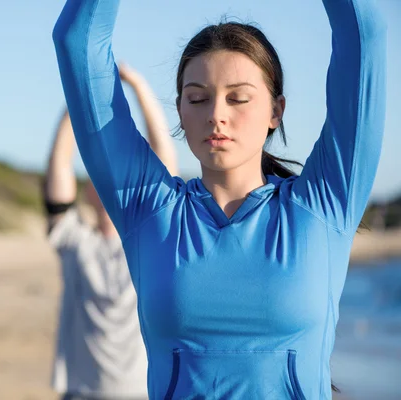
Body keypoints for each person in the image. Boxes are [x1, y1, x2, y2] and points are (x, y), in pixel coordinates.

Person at [52, 0, 387, 399]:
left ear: (275, 111)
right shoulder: (147, 209)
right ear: (179, 110)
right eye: (197, 99)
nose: (216, 114)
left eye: (238, 98)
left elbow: (364, 35)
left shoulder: (323, 204)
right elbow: (77, 42)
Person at [44, 64, 179, 400]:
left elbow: (166, 167)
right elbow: (59, 168)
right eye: (98, 175)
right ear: (87, 190)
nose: (108, 180)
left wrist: (138, 85)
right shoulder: (74, 239)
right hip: (81, 392)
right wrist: (78, 100)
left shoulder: (149, 240)